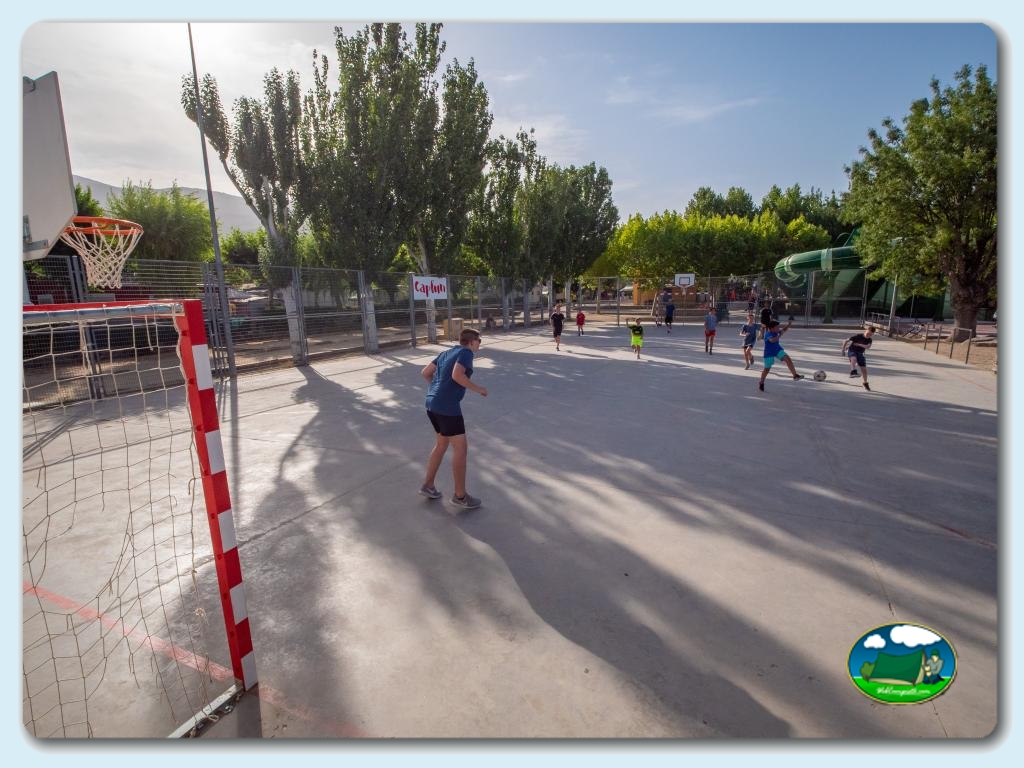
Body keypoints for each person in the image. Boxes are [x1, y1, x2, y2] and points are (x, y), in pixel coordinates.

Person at [419, 328, 488, 509]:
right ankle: (460, 496)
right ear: (471, 341)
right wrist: (479, 389)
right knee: (461, 449)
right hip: (447, 408)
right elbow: (457, 375)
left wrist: (437, 390)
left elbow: (425, 372)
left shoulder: (446, 353)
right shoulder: (466, 353)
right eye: (479, 341)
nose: (479, 344)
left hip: (431, 404)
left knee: (441, 444)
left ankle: (428, 485)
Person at [757, 319, 803, 391]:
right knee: (767, 369)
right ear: (772, 328)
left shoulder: (776, 332)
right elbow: (772, 340)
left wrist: (789, 324)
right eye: (777, 327)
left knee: (787, 359)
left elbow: (783, 330)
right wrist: (779, 334)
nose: (779, 328)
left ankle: (795, 375)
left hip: (777, 350)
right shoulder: (768, 334)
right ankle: (761, 382)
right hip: (769, 353)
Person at [842, 325, 876, 391]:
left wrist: (859, 344)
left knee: (864, 369)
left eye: (870, 335)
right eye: (868, 333)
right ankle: (853, 371)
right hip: (852, 350)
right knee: (854, 358)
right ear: (865, 331)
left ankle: (865, 383)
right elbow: (846, 341)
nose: (868, 335)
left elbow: (868, 347)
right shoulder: (858, 336)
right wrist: (843, 350)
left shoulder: (869, 340)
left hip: (860, 353)